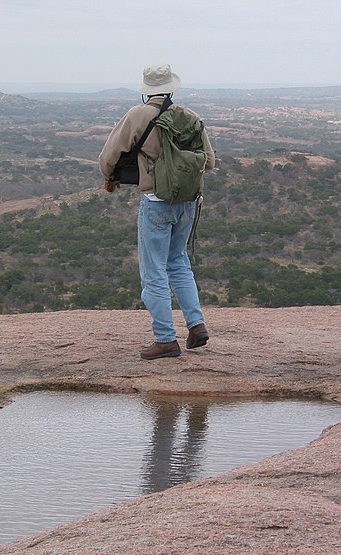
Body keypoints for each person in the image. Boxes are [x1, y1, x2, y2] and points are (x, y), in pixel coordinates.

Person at [99, 64, 216, 360]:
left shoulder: (139, 115)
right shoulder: (188, 117)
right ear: (171, 88)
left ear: (146, 90)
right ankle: (196, 324)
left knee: (153, 272)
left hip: (156, 201)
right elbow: (210, 161)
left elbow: (108, 155)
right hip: (189, 201)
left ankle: (165, 339)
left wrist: (110, 177)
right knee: (178, 261)